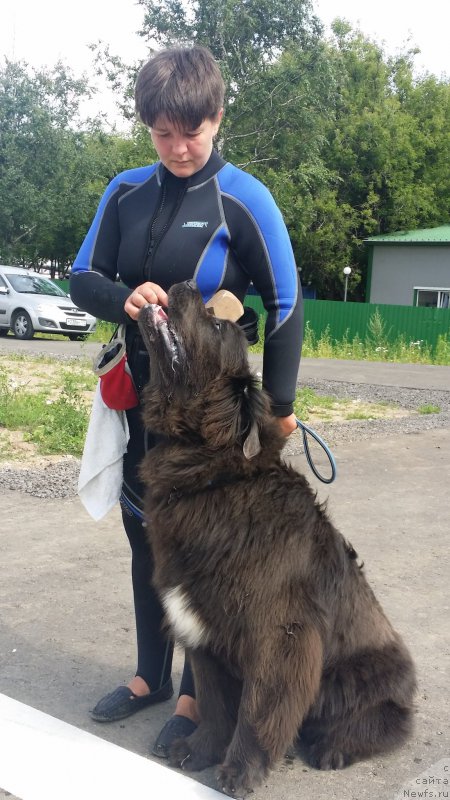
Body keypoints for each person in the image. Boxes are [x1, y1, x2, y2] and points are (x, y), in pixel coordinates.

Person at [70, 45, 303, 757]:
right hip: (140, 406)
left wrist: (280, 410)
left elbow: (287, 305)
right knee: (143, 542)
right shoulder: (125, 191)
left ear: (217, 117)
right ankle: (148, 675)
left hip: (208, 425)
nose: (176, 148)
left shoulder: (244, 198)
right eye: (162, 133)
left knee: (200, 559)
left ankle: (198, 696)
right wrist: (123, 295)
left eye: (191, 132)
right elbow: (83, 277)